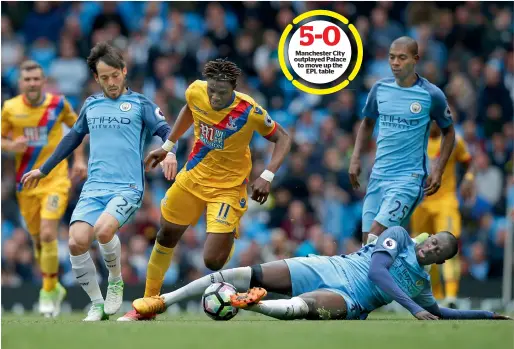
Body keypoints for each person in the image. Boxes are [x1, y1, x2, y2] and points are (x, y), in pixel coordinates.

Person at [118, 58, 292, 321]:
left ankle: (230, 227)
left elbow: (283, 138)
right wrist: (168, 146)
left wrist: (267, 175)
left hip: (228, 188)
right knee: (166, 235)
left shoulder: (249, 110)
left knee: (212, 261)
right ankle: (148, 303)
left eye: (221, 92)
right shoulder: (196, 91)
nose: (214, 97)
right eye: (211, 90)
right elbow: (190, 109)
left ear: (234, 88)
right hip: (193, 178)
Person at [21, 42, 178, 321]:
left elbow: (166, 129)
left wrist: (169, 152)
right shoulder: (91, 104)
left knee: (104, 231)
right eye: (104, 77)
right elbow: (72, 138)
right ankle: (96, 303)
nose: (111, 82)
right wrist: (43, 170)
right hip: (94, 188)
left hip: (127, 187)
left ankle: (115, 280)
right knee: (75, 242)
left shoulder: (140, 104)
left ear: (124, 71)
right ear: (96, 78)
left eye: (115, 75)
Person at [131, 227, 511, 321]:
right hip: (328, 266)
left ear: (441, 261)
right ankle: (160, 301)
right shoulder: (397, 236)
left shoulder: (422, 285)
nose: (430, 249)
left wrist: (488, 315)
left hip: (350, 300)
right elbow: (379, 272)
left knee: (299, 309)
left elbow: (441, 313)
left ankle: (245, 304)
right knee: (243, 270)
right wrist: (412, 308)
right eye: (432, 243)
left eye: (437, 252)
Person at [349, 36, 456, 245]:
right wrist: (355, 158)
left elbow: (449, 132)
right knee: (366, 246)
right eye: (391, 58)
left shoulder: (431, 94)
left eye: (401, 58)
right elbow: (367, 124)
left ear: (415, 59)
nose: (395, 63)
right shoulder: (379, 89)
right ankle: (410, 261)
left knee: (374, 238)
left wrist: (438, 169)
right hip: (378, 175)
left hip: (408, 179)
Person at [1, 60, 88, 317]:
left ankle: (48, 290)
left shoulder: (58, 104)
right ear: (20, 83)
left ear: (43, 80)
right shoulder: (10, 108)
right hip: (26, 183)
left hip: (55, 180)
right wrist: (10, 146)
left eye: (36, 79)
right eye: (27, 79)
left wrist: (80, 159)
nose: (31, 83)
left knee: (49, 234)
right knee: (38, 239)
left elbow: (78, 128)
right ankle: (53, 286)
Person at [411, 121, 474, 306]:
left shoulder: (454, 141)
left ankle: (451, 296)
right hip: (421, 203)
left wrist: (468, 179)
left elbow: (469, 163)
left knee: (448, 244)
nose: (434, 123)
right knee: (424, 251)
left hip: (446, 201)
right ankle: (436, 296)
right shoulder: (416, 140)